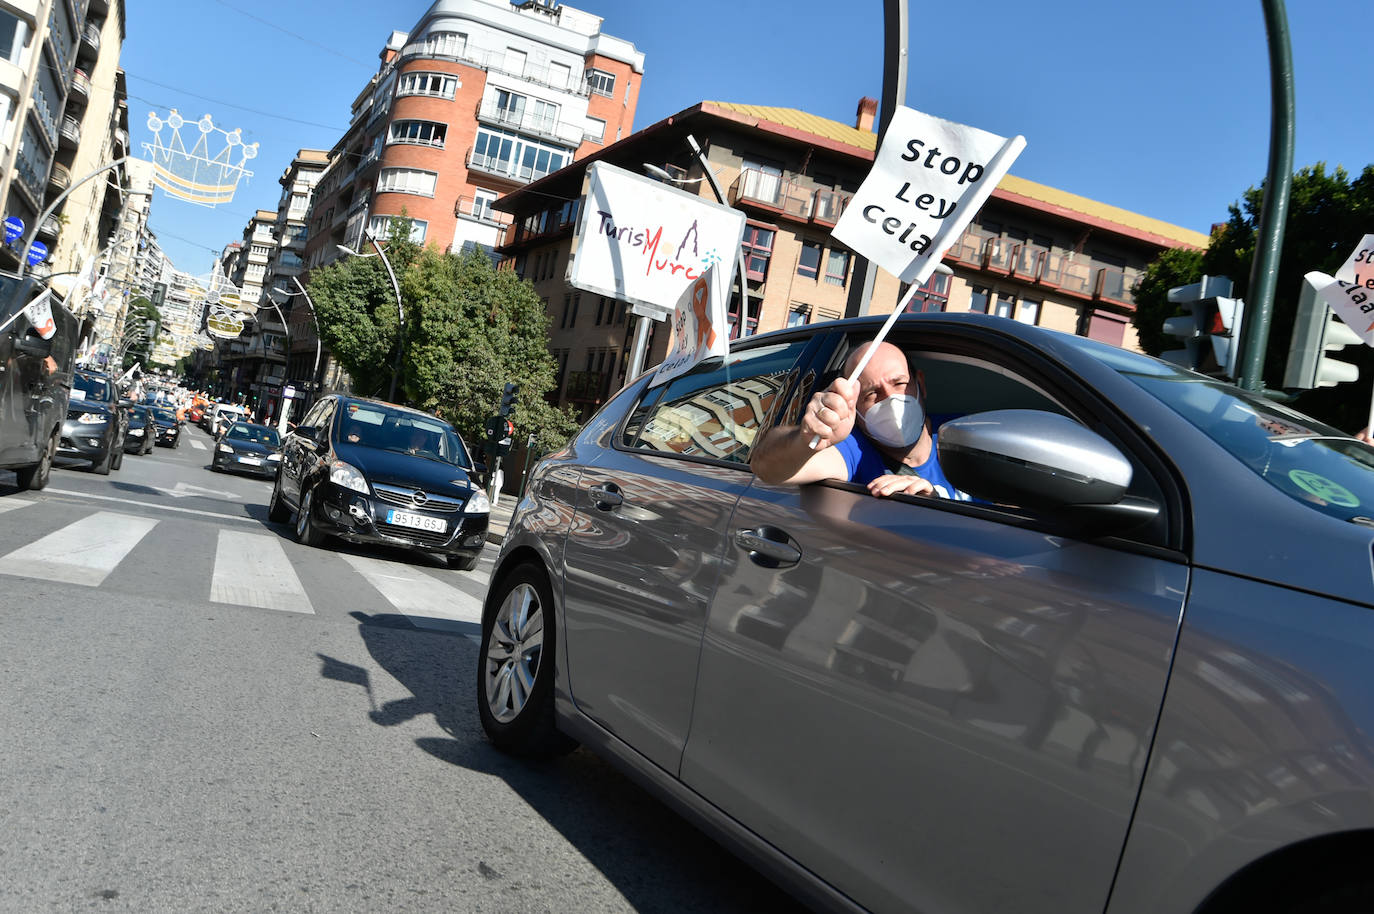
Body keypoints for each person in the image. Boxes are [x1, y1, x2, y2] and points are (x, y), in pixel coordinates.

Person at [751, 340, 968, 500]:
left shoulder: (965, 434)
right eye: (871, 393)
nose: (891, 399)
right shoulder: (853, 448)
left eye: (900, 383)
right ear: (853, 406)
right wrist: (805, 437)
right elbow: (766, 467)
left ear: (920, 384)